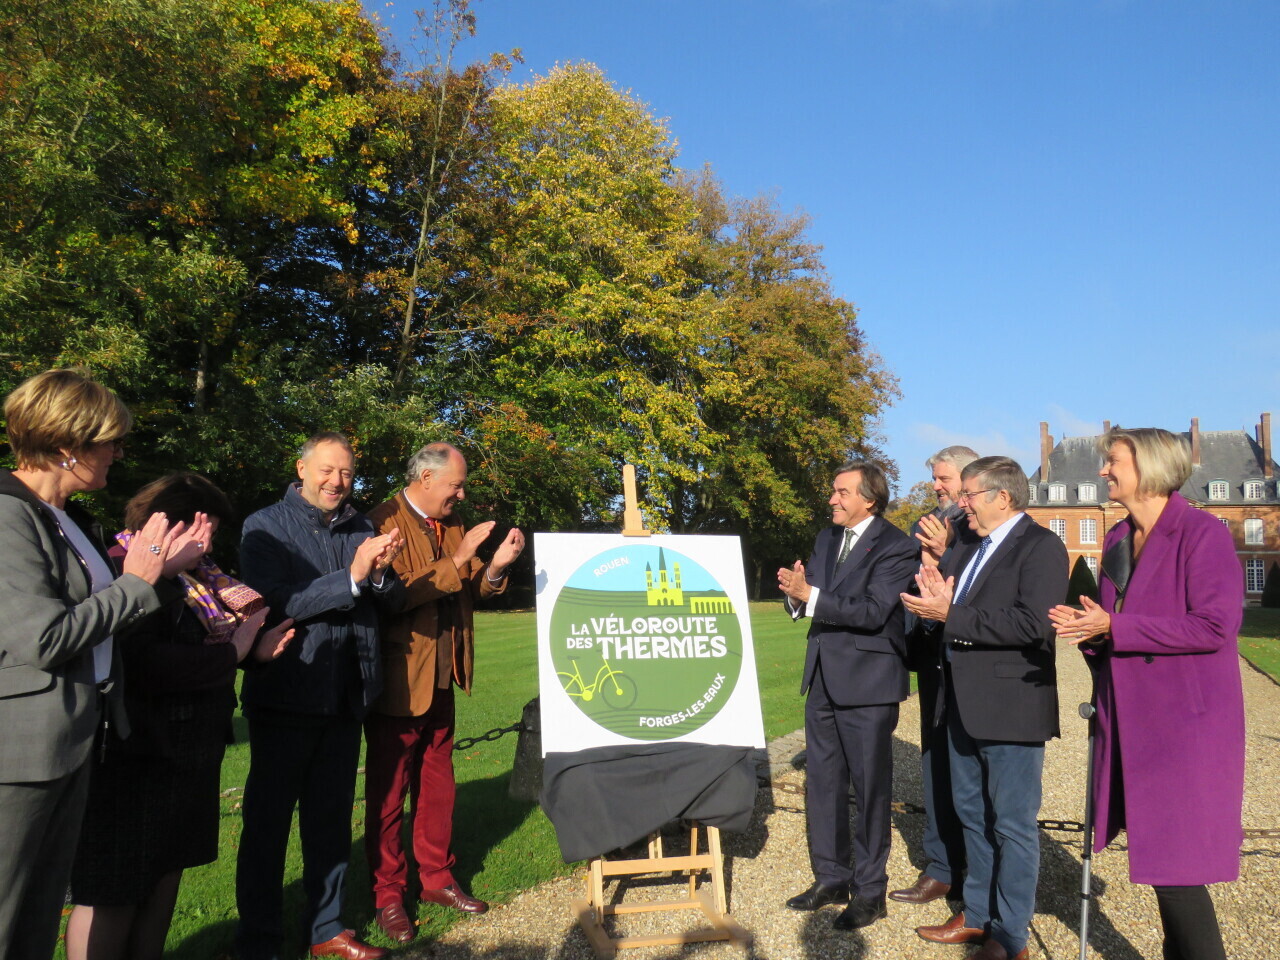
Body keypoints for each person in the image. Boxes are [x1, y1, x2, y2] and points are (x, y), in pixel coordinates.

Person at [0, 369, 204, 960]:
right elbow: (44, 638)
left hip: (76, 741)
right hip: (22, 756)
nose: (118, 452)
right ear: (68, 441)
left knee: (38, 910)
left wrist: (158, 576)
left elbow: (103, 623)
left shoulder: (67, 518)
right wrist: (137, 581)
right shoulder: (9, 515)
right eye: (109, 440)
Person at [65, 473, 295, 960]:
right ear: (168, 525)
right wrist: (234, 652)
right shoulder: (124, 571)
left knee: (165, 873)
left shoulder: (198, 578)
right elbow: (141, 662)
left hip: (186, 754)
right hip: (135, 756)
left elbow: (204, 647)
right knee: (114, 888)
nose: (209, 544)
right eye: (203, 530)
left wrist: (255, 653)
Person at [1049, 428, 1243, 960]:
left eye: (1113, 461)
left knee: (1177, 869)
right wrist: (1090, 632)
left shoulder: (1202, 534)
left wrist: (1114, 627)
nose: (1103, 471)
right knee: (1163, 864)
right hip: (1129, 721)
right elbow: (1113, 626)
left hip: (1186, 727)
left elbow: (1215, 626)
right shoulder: (1117, 537)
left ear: (1149, 467)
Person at [234, 433, 405, 960]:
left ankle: (327, 929)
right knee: (267, 827)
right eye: (327, 470)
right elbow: (275, 602)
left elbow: (390, 599)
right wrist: (352, 577)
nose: (337, 482)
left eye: (347, 473)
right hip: (288, 694)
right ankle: (260, 941)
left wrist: (379, 575)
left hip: (346, 695)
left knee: (329, 823)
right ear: (302, 469)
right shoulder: (264, 526)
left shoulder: (361, 527)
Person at [901, 455, 1067, 960]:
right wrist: (934, 607)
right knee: (972, 815)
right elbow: (951, 612)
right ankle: (976, 915)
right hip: (961, 704)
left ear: (1004, 497)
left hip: (1011, 708)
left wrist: (949, 613)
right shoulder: (970, 547)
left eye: (969, 494)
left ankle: (1009, 936)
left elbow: (1033, 625)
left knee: (1012, 825)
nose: (961, 503)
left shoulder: (1041, 546)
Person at [363, 443, 526, 943]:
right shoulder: (380, 521)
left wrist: (495, 567)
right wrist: (457, 560)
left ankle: (436, 879)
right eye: (456, 485)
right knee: (389, 795)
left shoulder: (452, 522)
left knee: (438, 786)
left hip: (443, 674)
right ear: (426, 478)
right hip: (400, 677)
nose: (462, 494)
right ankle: (388, 894)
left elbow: (471, 586)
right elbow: (392, 598)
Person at [777, 460, 919, 931]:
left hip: (868, 684)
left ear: (869, 499)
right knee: (823, 784)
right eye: (833, 491)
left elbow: (874, 611)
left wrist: (810, 594)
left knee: (870, 789)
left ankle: (871, 891)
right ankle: (832, 879)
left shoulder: (898, 546)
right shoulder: (826, 538)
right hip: (822, 679)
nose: (832, 499)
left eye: (841, 492)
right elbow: (811, 596)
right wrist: (795, 595)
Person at [892, 444, 977, 907]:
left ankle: (976, 873)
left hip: (974, 662)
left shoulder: (983, 527)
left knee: (972, 772)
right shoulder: (924, 524)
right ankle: (942, 865)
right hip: (932, 658)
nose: (936, 486)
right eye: (935, 478)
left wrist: (945, 556)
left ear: (968, 478)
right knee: (934, 764)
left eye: (944, 478)